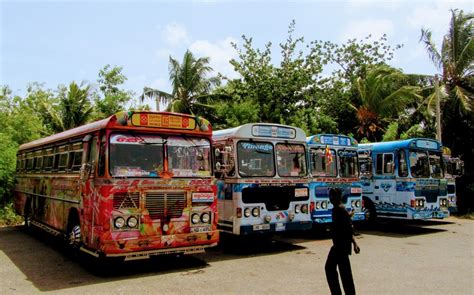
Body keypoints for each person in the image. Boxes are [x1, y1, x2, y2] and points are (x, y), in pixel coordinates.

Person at [325, 187, 360, 295]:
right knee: (342, 272)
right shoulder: (338, 209)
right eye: (330, 196)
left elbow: (349, 228)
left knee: (336, 270)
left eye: (332, 196)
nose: (330, 198)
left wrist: (355, 243)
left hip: (341, 246)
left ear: (337, 197)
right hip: (339, 246)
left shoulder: (340, 209)